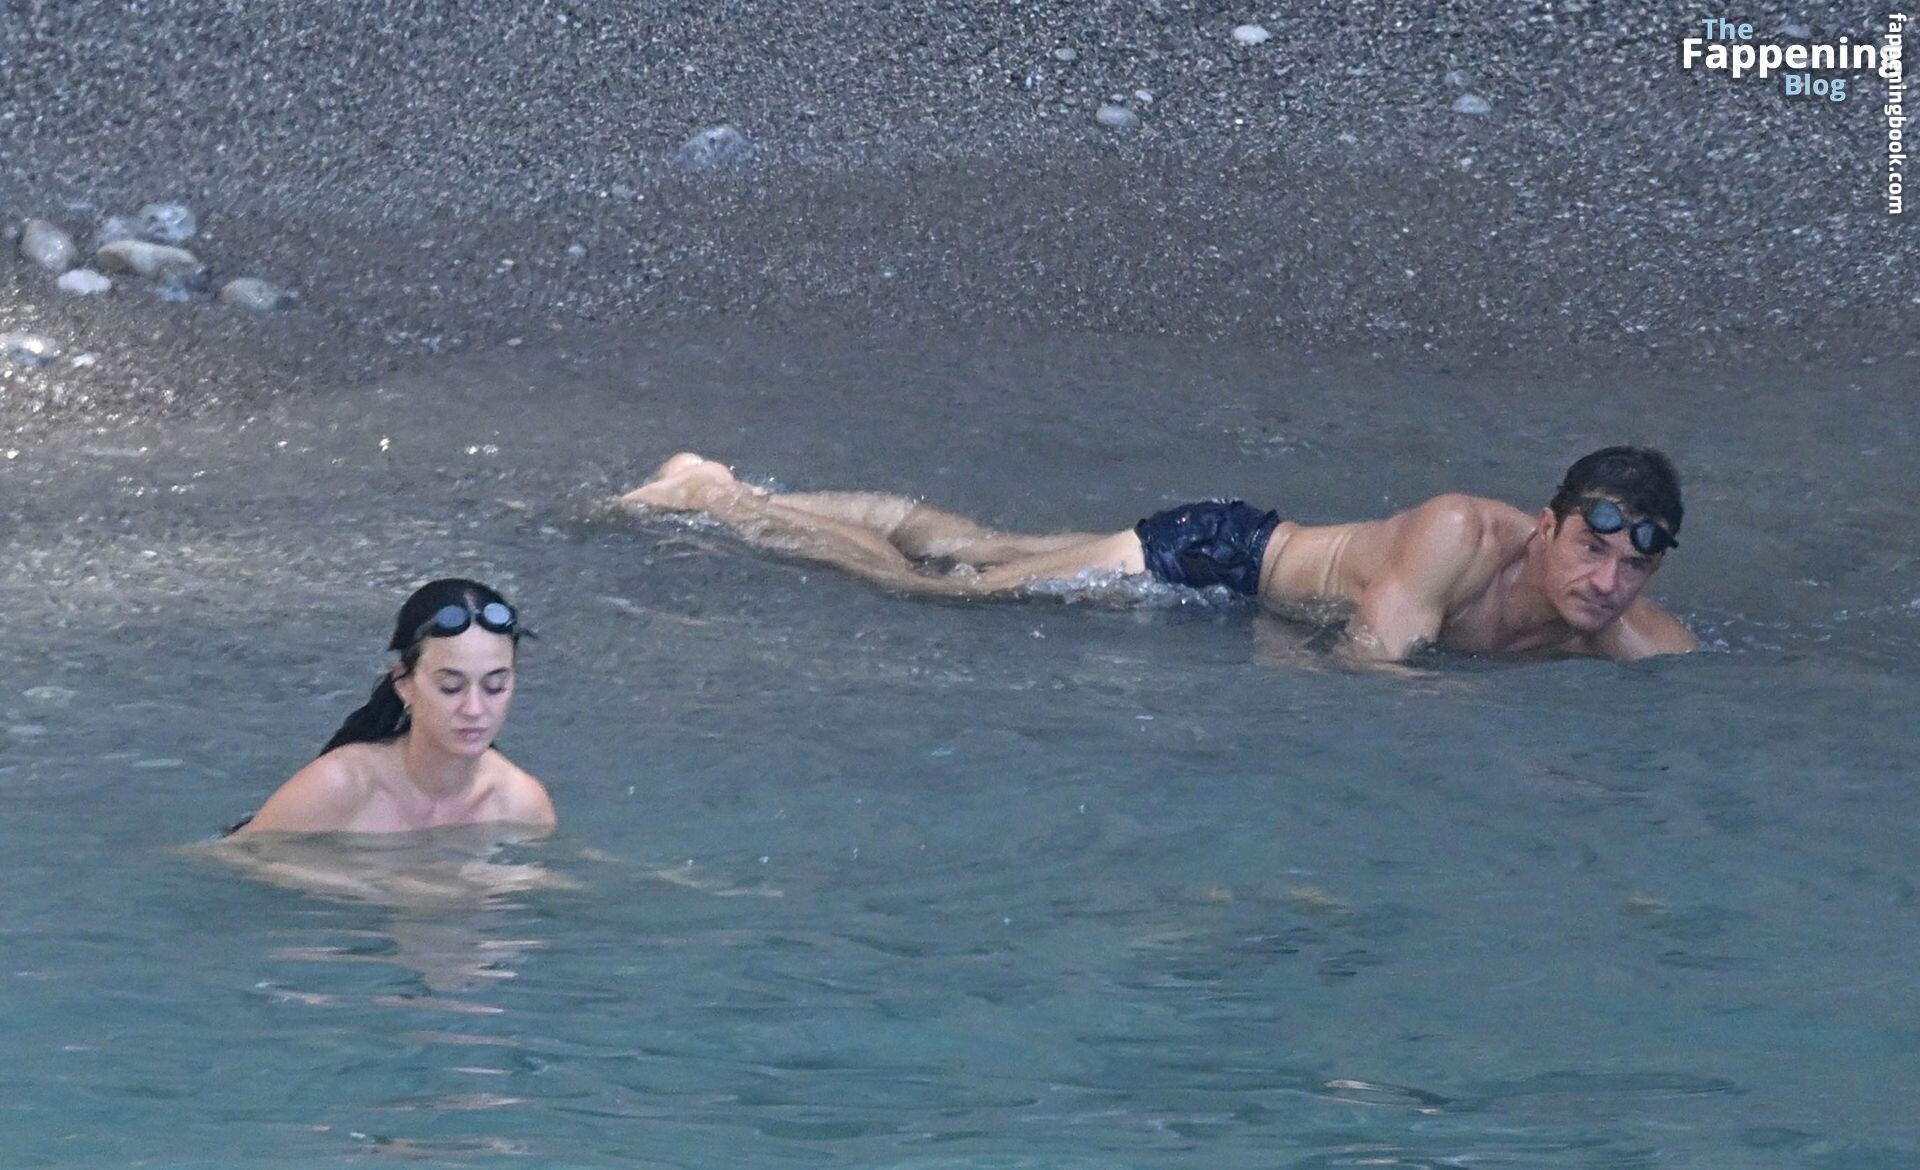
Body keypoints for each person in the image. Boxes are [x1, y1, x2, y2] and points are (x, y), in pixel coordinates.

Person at [619, 446, 1698, 664]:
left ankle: (739, 484)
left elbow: (1682, 668)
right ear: (1546, 525)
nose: (1605, 582)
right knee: (946, 594)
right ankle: (713, 498)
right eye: (1590, 548)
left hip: (1233, 571)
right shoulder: (1462, 533)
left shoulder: (1617, 620)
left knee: (975, 548)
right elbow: (1367, 665)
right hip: (1211, 560)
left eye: (1633, 569)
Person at [230, 578, 556, 834]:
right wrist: (384, 885)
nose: (474, 708)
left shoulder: (521, 804)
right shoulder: (341, 785)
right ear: (404, 683)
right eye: (450, 687)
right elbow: (230, 859)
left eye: (494, 686)